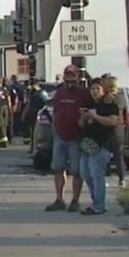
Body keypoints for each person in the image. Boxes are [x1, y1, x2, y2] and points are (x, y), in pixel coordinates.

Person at [46, 65, 92, 212]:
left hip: (76, 137)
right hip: (60, 136)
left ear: (78, 78)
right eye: (68, 78)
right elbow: (55, 111)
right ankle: (59, 199)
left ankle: (75, 200)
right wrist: (54, 128)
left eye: (73, 78)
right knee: (58, 168)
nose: (70, 81)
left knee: (77, 171)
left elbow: (91, 112)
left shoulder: (84, 94)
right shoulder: (59, 92)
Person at [78, 78, 121, 215]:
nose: (95, 92)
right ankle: (95, 200)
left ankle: (98, 205)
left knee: (97, 175)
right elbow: (81, 124)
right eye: (92, 89)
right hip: (87, 144)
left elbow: (113, 122)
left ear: (103, 90)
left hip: (103, 144)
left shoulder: (109, 103)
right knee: (85, 173)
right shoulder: (89, 104)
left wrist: (95, 117)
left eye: (97, 89)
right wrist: (84, 118)